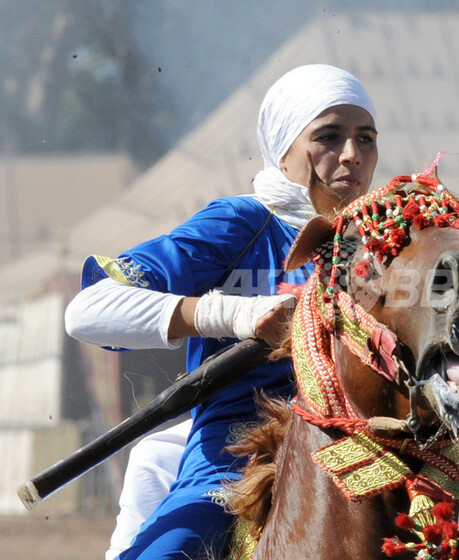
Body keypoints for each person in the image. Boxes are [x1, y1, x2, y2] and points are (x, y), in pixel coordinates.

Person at [65, 63, 378, 560]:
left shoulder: (389, 242)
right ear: (282, 151)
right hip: (236, 461)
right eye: (328, 136)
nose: (351, 154)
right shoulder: (242, 223)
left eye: (365, 138)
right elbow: (88, 309)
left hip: (369, 458)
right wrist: (237, 316)